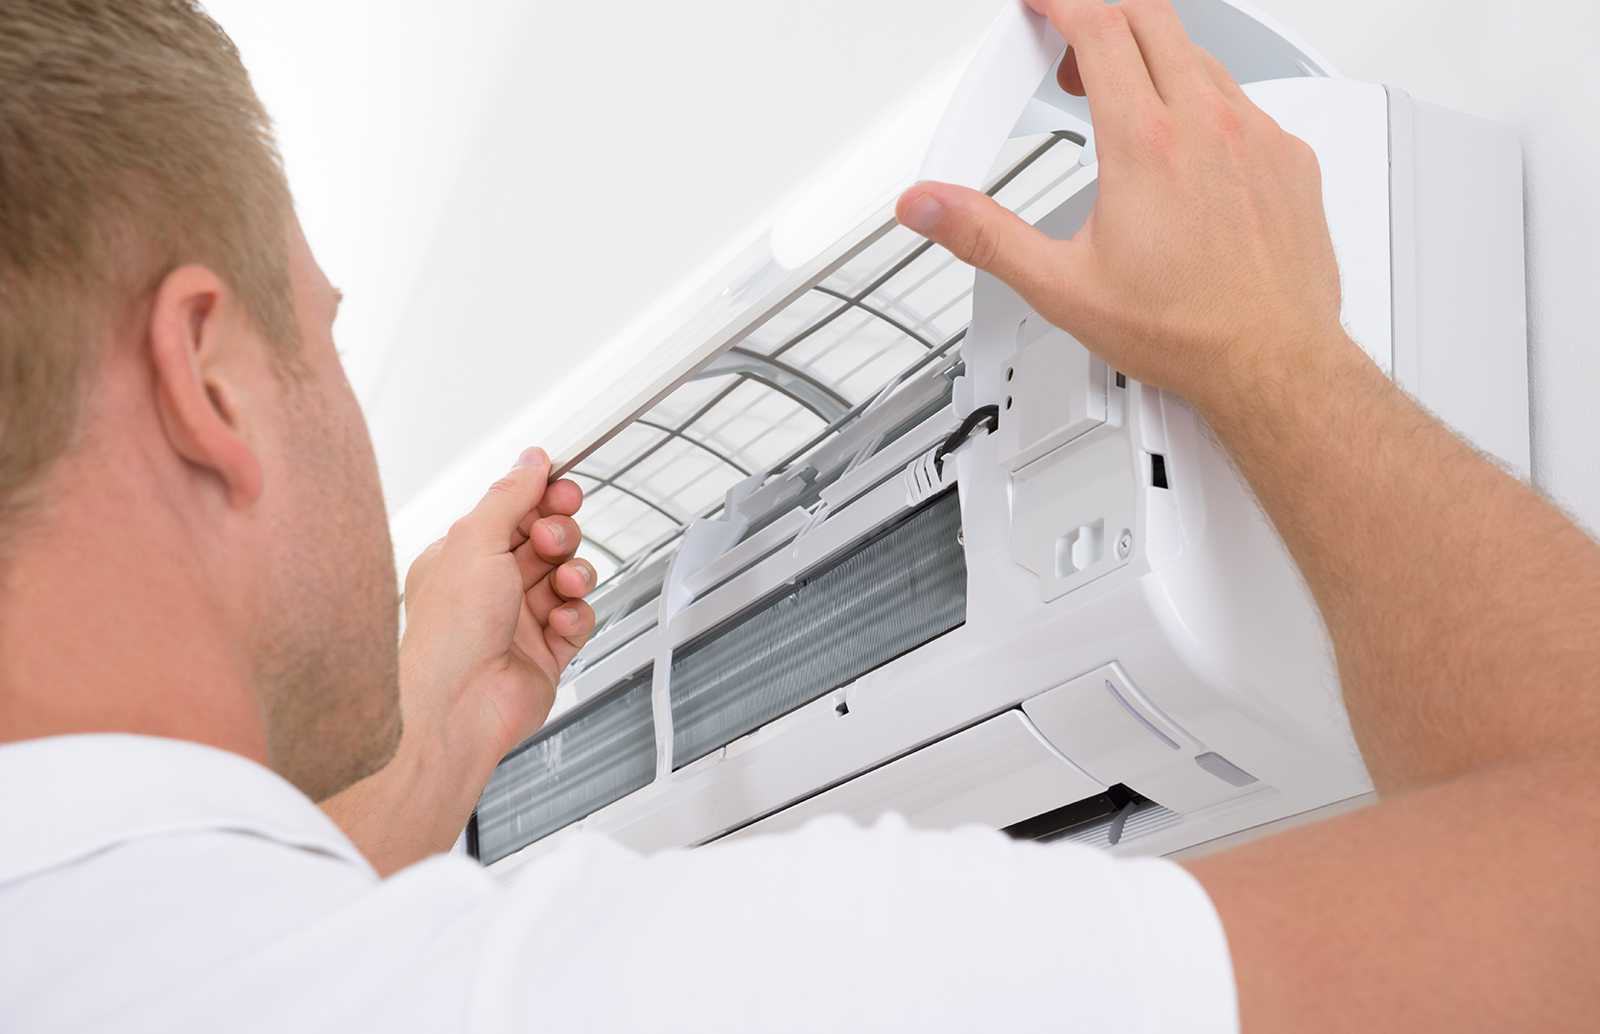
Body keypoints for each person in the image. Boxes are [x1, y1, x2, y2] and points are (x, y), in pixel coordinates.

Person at [0, 0, 1595, 1030]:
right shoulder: (654, 988)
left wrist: (429, 760)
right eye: (325, 339)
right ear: (209, 379)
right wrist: (1280, 360)